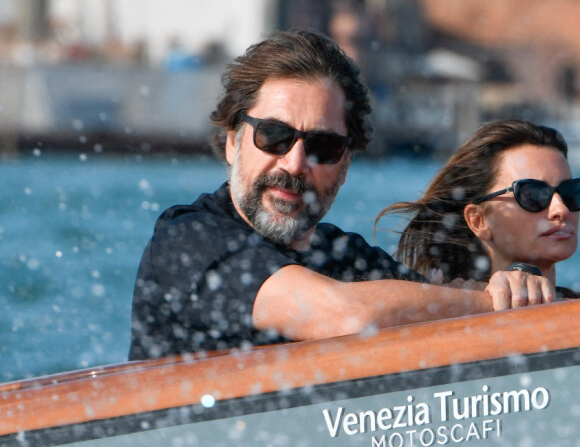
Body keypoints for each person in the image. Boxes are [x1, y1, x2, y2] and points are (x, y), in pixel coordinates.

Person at [129, 32, 554, 361]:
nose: (295, 164)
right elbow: (346, 315)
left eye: (323, 147)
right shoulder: (188, 241)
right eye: (274, 136)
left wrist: (514, 283)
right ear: (231, 142)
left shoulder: (347, 259)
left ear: (345, 165)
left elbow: (437, 301)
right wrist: (484, 302)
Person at [375, 119, 579, 298]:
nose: (560, 209)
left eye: (570, 192)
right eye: (533, 194)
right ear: (478, 220)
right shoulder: (443, 310)